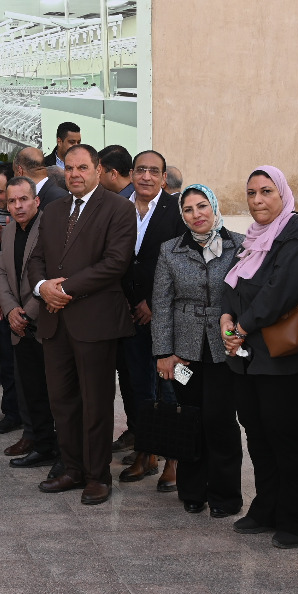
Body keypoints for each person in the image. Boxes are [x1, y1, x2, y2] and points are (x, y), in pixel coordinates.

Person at [220, 166, 298, 549]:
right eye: (251, 193)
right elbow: (233, 284)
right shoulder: (255, 237)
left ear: (283, 194)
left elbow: (279, 292)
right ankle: (267, 508)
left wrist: (241, 327)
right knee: (259, 435)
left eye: (266, 191)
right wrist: (226, 318)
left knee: (289, 437)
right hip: (249, 358)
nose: (258, 200)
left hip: (286, 358)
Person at [28, 145, 136, 504]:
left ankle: (98, 476)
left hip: (95, 323)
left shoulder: (119, 208)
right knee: (62, 402)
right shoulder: (54, 209)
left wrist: (63, 289)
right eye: (70, 168)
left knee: (96, 404)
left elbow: (115, 263)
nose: (74, 174)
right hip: (54, 321)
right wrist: (42, 288)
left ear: (98, 169)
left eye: (82, 168)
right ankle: (72, 469)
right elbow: (37, 258)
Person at [153, 185, 243, 516]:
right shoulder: (170, 250)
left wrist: (238, 334)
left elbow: (244, 297)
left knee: (220, 419)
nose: (196, 214)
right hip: (183, 352)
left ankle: (225, 495)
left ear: (214, 207)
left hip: (225, 348)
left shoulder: (239, 245)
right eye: (188, 209)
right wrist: (163, 352)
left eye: (202, 206)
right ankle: (192, 490)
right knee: (190, 417)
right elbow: (161, 304)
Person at [118, 151, 184, 486]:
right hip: (127, 312)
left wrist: (155, 304)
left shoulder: (177, 210)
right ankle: (146, 454)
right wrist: (127, 300)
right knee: (138, 387)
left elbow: (182, 263)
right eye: (141, 170)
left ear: (163, 177)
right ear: (132, 173)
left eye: (153, 171)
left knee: (169, 388)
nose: (146, 176)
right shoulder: (118, 207)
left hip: (163, 315)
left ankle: (174, 460)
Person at [0, 175, 57, 470]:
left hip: (43, 321)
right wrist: (10, 310)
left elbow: (51, 276)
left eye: (23, 199)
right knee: (29, 388)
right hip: (17, 323)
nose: (18, 206)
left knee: (49, 390)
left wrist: (26, 312)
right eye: (12, 201)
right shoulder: (7, 232)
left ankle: (55, 446)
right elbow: (2, 273)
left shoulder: (48, 229)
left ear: (36, 201)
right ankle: (40, 444)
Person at [0, 164, 22, 436]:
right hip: (1, 301)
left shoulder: (24, 218)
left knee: (24, 364)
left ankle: (27, 414)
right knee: (7, 362)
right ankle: (12, 413)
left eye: (0, 191)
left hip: (23, 303)